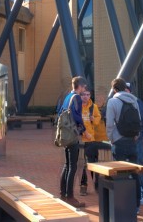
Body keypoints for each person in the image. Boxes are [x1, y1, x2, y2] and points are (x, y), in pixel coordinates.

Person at [106, 77, 142, 211]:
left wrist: (111, 138)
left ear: (114, 89)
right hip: (132, 140)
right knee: (134, 172)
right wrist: (135, 136)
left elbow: (109, 124)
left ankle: (122, 206)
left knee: (120, 173)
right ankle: (136, 204)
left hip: (119, 141)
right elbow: (138, 119)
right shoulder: (134, 100)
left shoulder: (113, 101)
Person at [58, 76, 88, 209]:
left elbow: (60, 112)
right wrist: (84, 131)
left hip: (65, 135)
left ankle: (63, 193)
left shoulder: (67, 96)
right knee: (73, 166)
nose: (84, 89)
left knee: (67, 165)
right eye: (84, 87)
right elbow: (77, 116)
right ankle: (70, 196)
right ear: (80, 86)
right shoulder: (76, 98)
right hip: (72, 135)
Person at [127, 82, 143, 204]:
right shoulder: (130, 102)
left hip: (138, 140)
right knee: (134, 167)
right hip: (133, 140)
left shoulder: (136, 102)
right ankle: (138, 194)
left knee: (140, 166)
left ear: (128, 90)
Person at [78, 88, 104, 195]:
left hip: (92, 140)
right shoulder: (77, 107)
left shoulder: (94, 107)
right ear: (80, 96)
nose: (86, 96)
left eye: (88, 95)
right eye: (83, 94)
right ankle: (83, 186)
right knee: (82, 165)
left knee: (94, 163)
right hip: (80, 140)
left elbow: (98, 118)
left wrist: (95, 119)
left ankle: (97, 185)